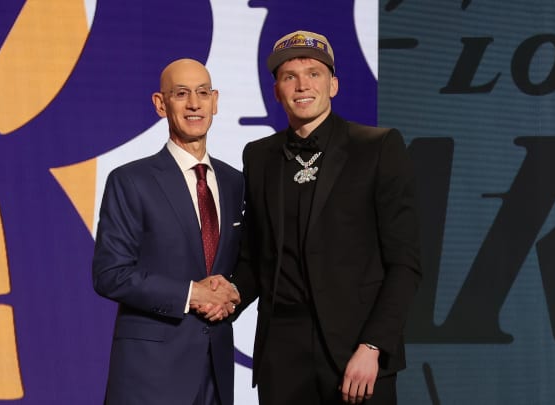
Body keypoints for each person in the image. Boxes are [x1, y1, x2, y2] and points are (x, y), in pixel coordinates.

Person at [230, 31, 422, 404]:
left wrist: (373, 346)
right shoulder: (259, 156)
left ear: (333, 85)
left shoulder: (378, 147)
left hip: (356, 357)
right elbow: (256, 259)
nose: (302, 85)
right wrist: (224, 297)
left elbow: (405, 263)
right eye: (289, 76)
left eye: (314, 73)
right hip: (282, 360)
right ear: (276, 91)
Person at [92, 58, 243, 405]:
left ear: (215, 101)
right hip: (151, 374)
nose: (194, 104)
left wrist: (232, 292)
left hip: (216, 370)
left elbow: (240, 263)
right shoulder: (131, 180)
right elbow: (110, 274)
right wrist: (192, 294)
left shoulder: (235, 182)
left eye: (203, 93)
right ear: (161, 104)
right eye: (181, 94)